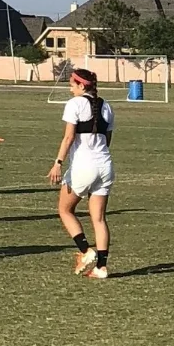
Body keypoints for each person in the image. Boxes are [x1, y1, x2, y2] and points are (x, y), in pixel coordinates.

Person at [49, 68, 115, 280]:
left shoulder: (74, 104)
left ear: (81, 85)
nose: (70, 88)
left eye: (71, 84)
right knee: (99, 219)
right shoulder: (107, 106)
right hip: (105, 166)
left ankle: (86, 251)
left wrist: (58, 163)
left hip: (83, 167)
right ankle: (101, 268)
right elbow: (108, 140)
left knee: (65, 210)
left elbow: (68, 138)